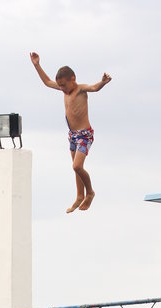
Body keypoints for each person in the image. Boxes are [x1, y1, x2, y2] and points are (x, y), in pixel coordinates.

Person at [30, 52, 111, 213]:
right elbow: (47, 82)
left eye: (64, 85)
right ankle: (79, 196)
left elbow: (94, 87)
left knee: (77, 166)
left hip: (84, 135)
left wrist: (103, 82)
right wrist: (37, 65)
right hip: (72, 135)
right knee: (75, 169)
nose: (61, 88)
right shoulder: (64, 91)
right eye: (59, 86)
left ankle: (90, 192)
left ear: (73, 79)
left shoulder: (80, 89)